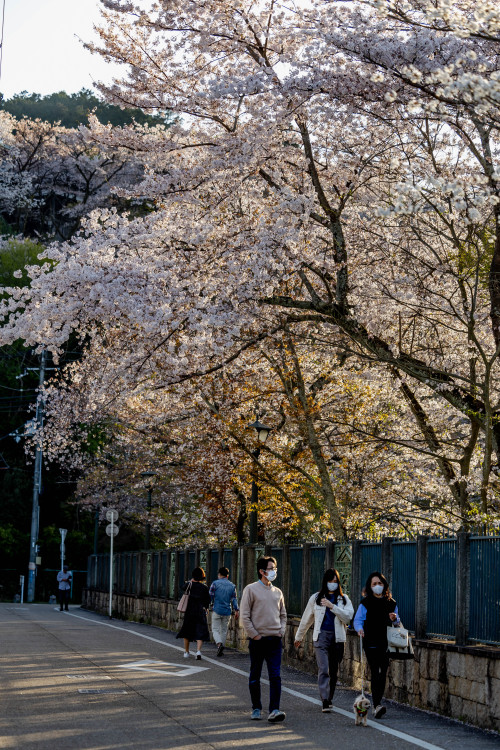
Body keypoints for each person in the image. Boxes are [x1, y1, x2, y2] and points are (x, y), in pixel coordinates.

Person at [294, 568, 354, 712]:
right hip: (321, 637)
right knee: (324, 668)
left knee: (334, 671)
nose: (332, 584)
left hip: (338, 638)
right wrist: (299, 636)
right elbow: (306, 619)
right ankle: (325, 700)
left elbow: (348, 617)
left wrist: (332, 606)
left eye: (335, 581)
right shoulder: (316, 598)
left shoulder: (344, 599)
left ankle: (329, 697)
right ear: (325, 582)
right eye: (330, 581)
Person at [240, 555, 286, 723]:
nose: (274, 571)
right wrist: (255, 635)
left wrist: (281, 631)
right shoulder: (250, 589)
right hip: (258, 640)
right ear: (261, 571)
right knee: (255, 675)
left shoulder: (278, 592)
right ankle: (256, 708)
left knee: (275, 676)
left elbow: (283, 615)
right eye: (271, 569)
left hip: (274, 640)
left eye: (275, 568)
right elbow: (244, 616)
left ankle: (274, 709)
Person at [353, 571, 399, 718]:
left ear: (384, 585)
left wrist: (394, 618)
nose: (377, 586)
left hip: (386, 642)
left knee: (383, 671)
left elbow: (397, 622)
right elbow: (358, 620)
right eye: (374, 584)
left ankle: (377, 703)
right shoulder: (365, 603)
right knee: (375, 671)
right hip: (371, 641)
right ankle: (377, 704)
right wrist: (360, 629)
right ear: (370, 586)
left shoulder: (391, 603)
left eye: (380, 583)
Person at [176, 567, 211, 660]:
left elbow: (182, 587)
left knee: (187, 631)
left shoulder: (189, 585)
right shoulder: (204, 587)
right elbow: (208, 600)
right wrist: (206, 608)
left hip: (189, 611)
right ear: (202, 576)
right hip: (200, 611)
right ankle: (198, 651)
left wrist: (189, 582)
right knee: (200, 631)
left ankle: (186, 652)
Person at [209, 566, 239, 657]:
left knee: (215, 629)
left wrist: (208, 605)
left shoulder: (215, 584)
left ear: (219, 574)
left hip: (217, 609)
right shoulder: (232, 586)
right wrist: (236, 610)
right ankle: (221, 647)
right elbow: (234, 599)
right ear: (227, 576)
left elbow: (210, 595)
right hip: (227, 611)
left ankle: (219, 644)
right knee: (224, 630)